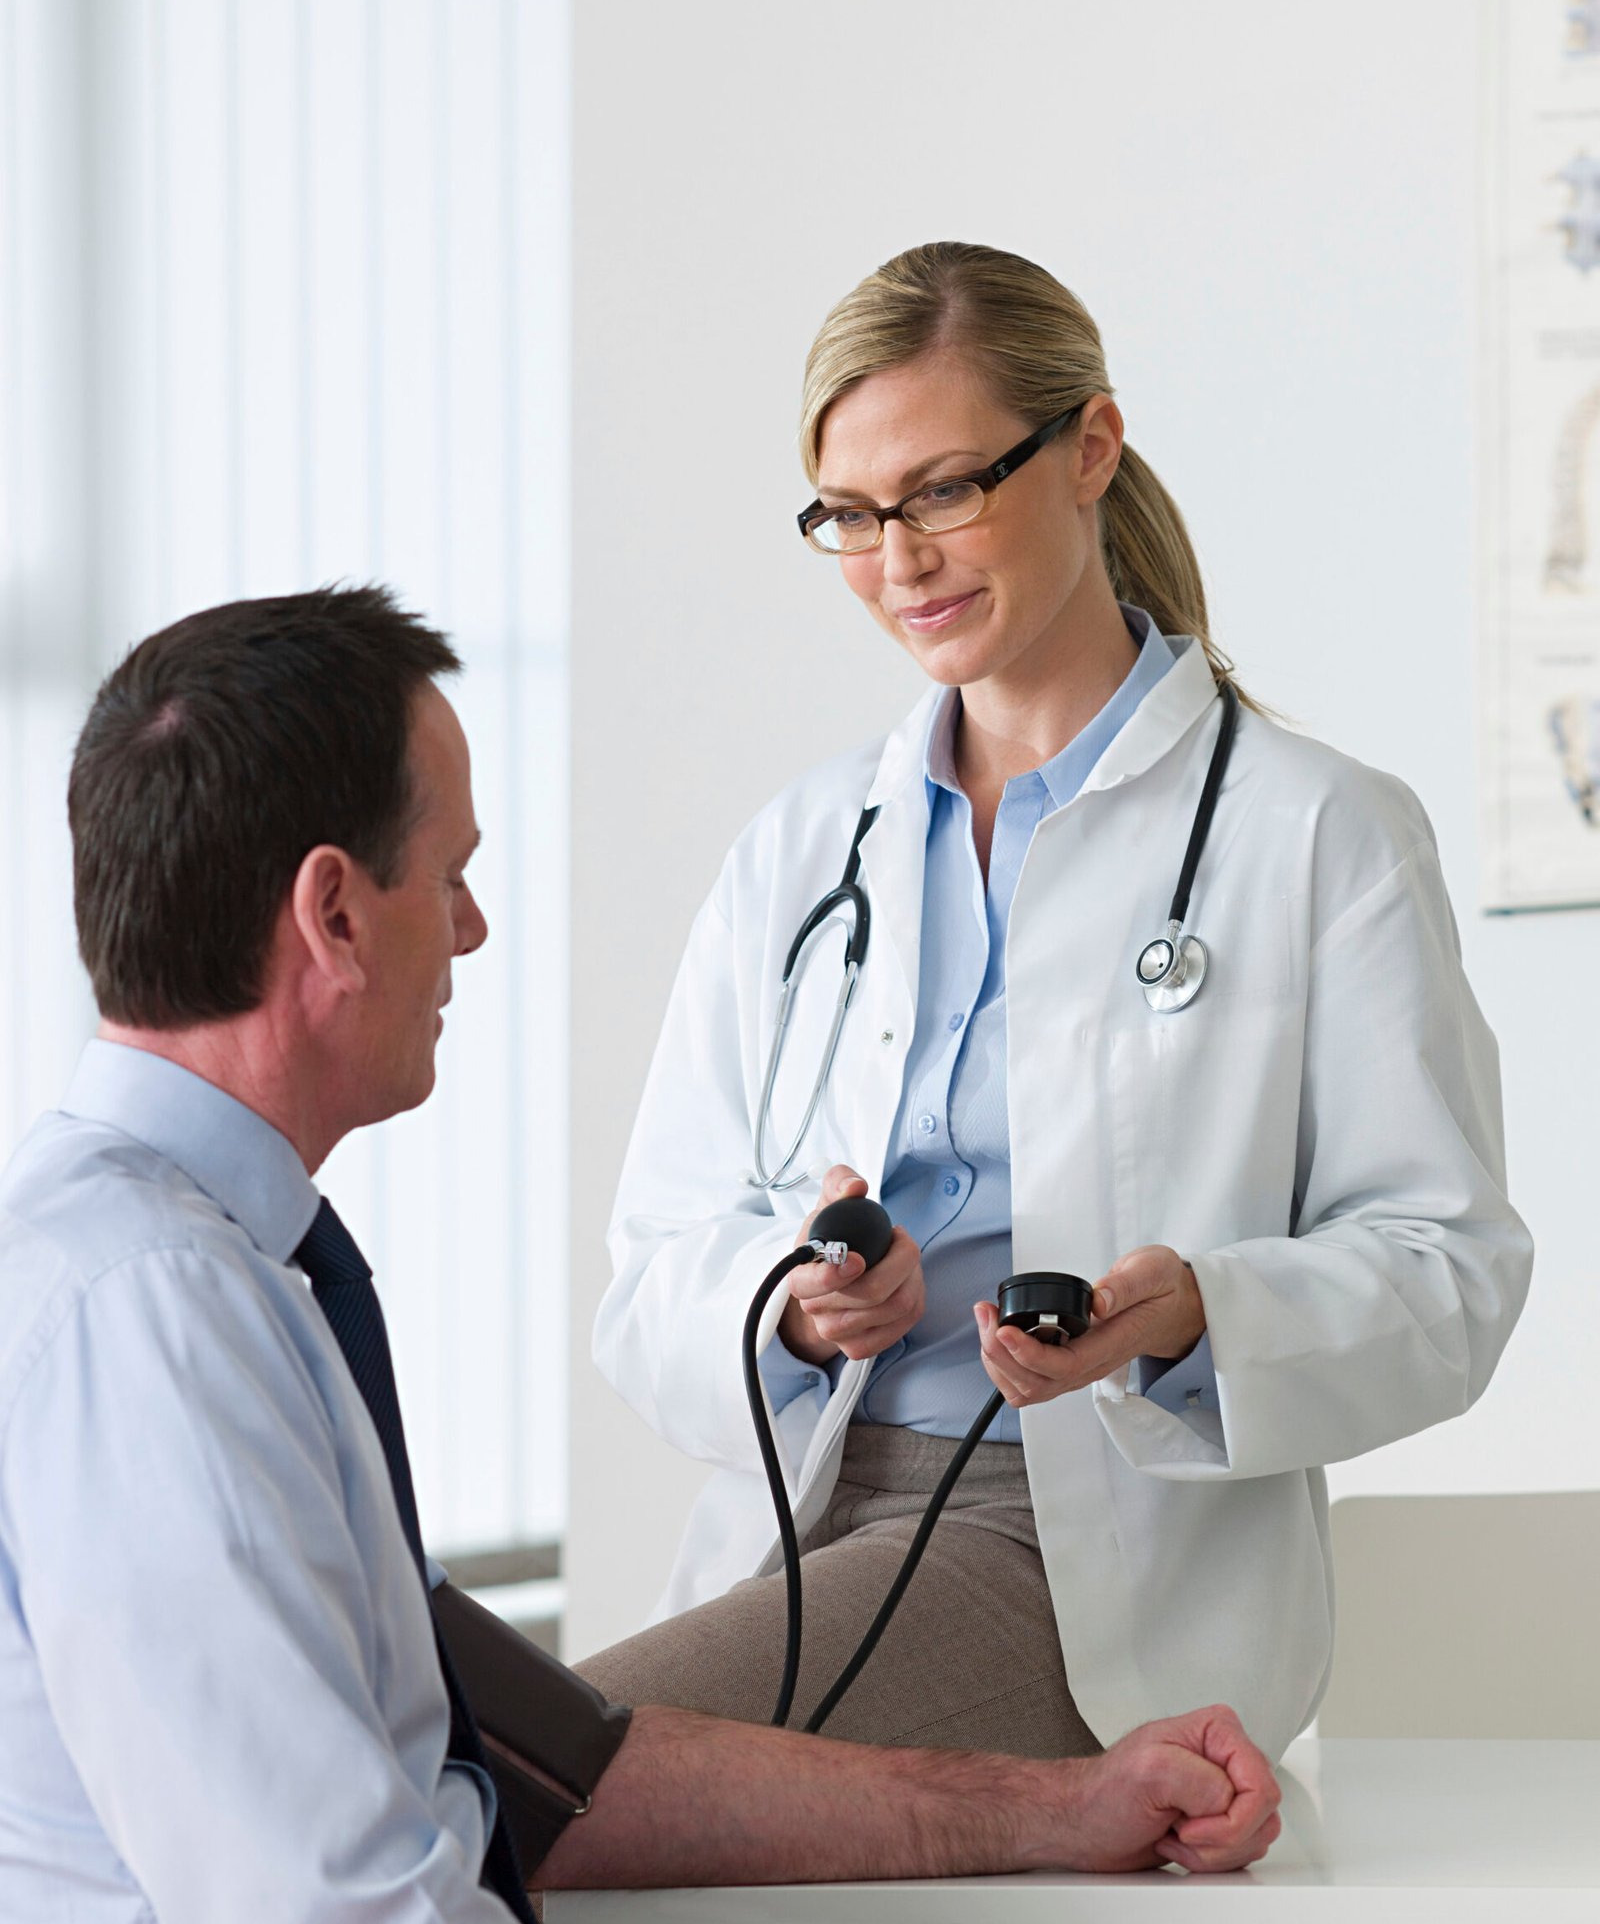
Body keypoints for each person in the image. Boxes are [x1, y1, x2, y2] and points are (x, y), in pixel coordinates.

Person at [0, 585, 1281, 1921]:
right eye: (449, 878)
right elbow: (331, 1903)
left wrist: (1070, 1809)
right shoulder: (150, 1323)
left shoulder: (203, 1271)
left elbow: (551, 1768)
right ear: (333, 916)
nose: (472, 928)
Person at [586, 242, 1535, 1765]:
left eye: (946, 490)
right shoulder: (804, 850)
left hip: (1078, 1545)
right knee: (465, 1742)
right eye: (851, 514)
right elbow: (648, 1283)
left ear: (1090, 447)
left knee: (543, 1778)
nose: (900, 558)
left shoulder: (1314, 831)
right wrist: (801, 1302)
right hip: (803, 1505)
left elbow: (1451, 1270)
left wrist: (1200, 1315)